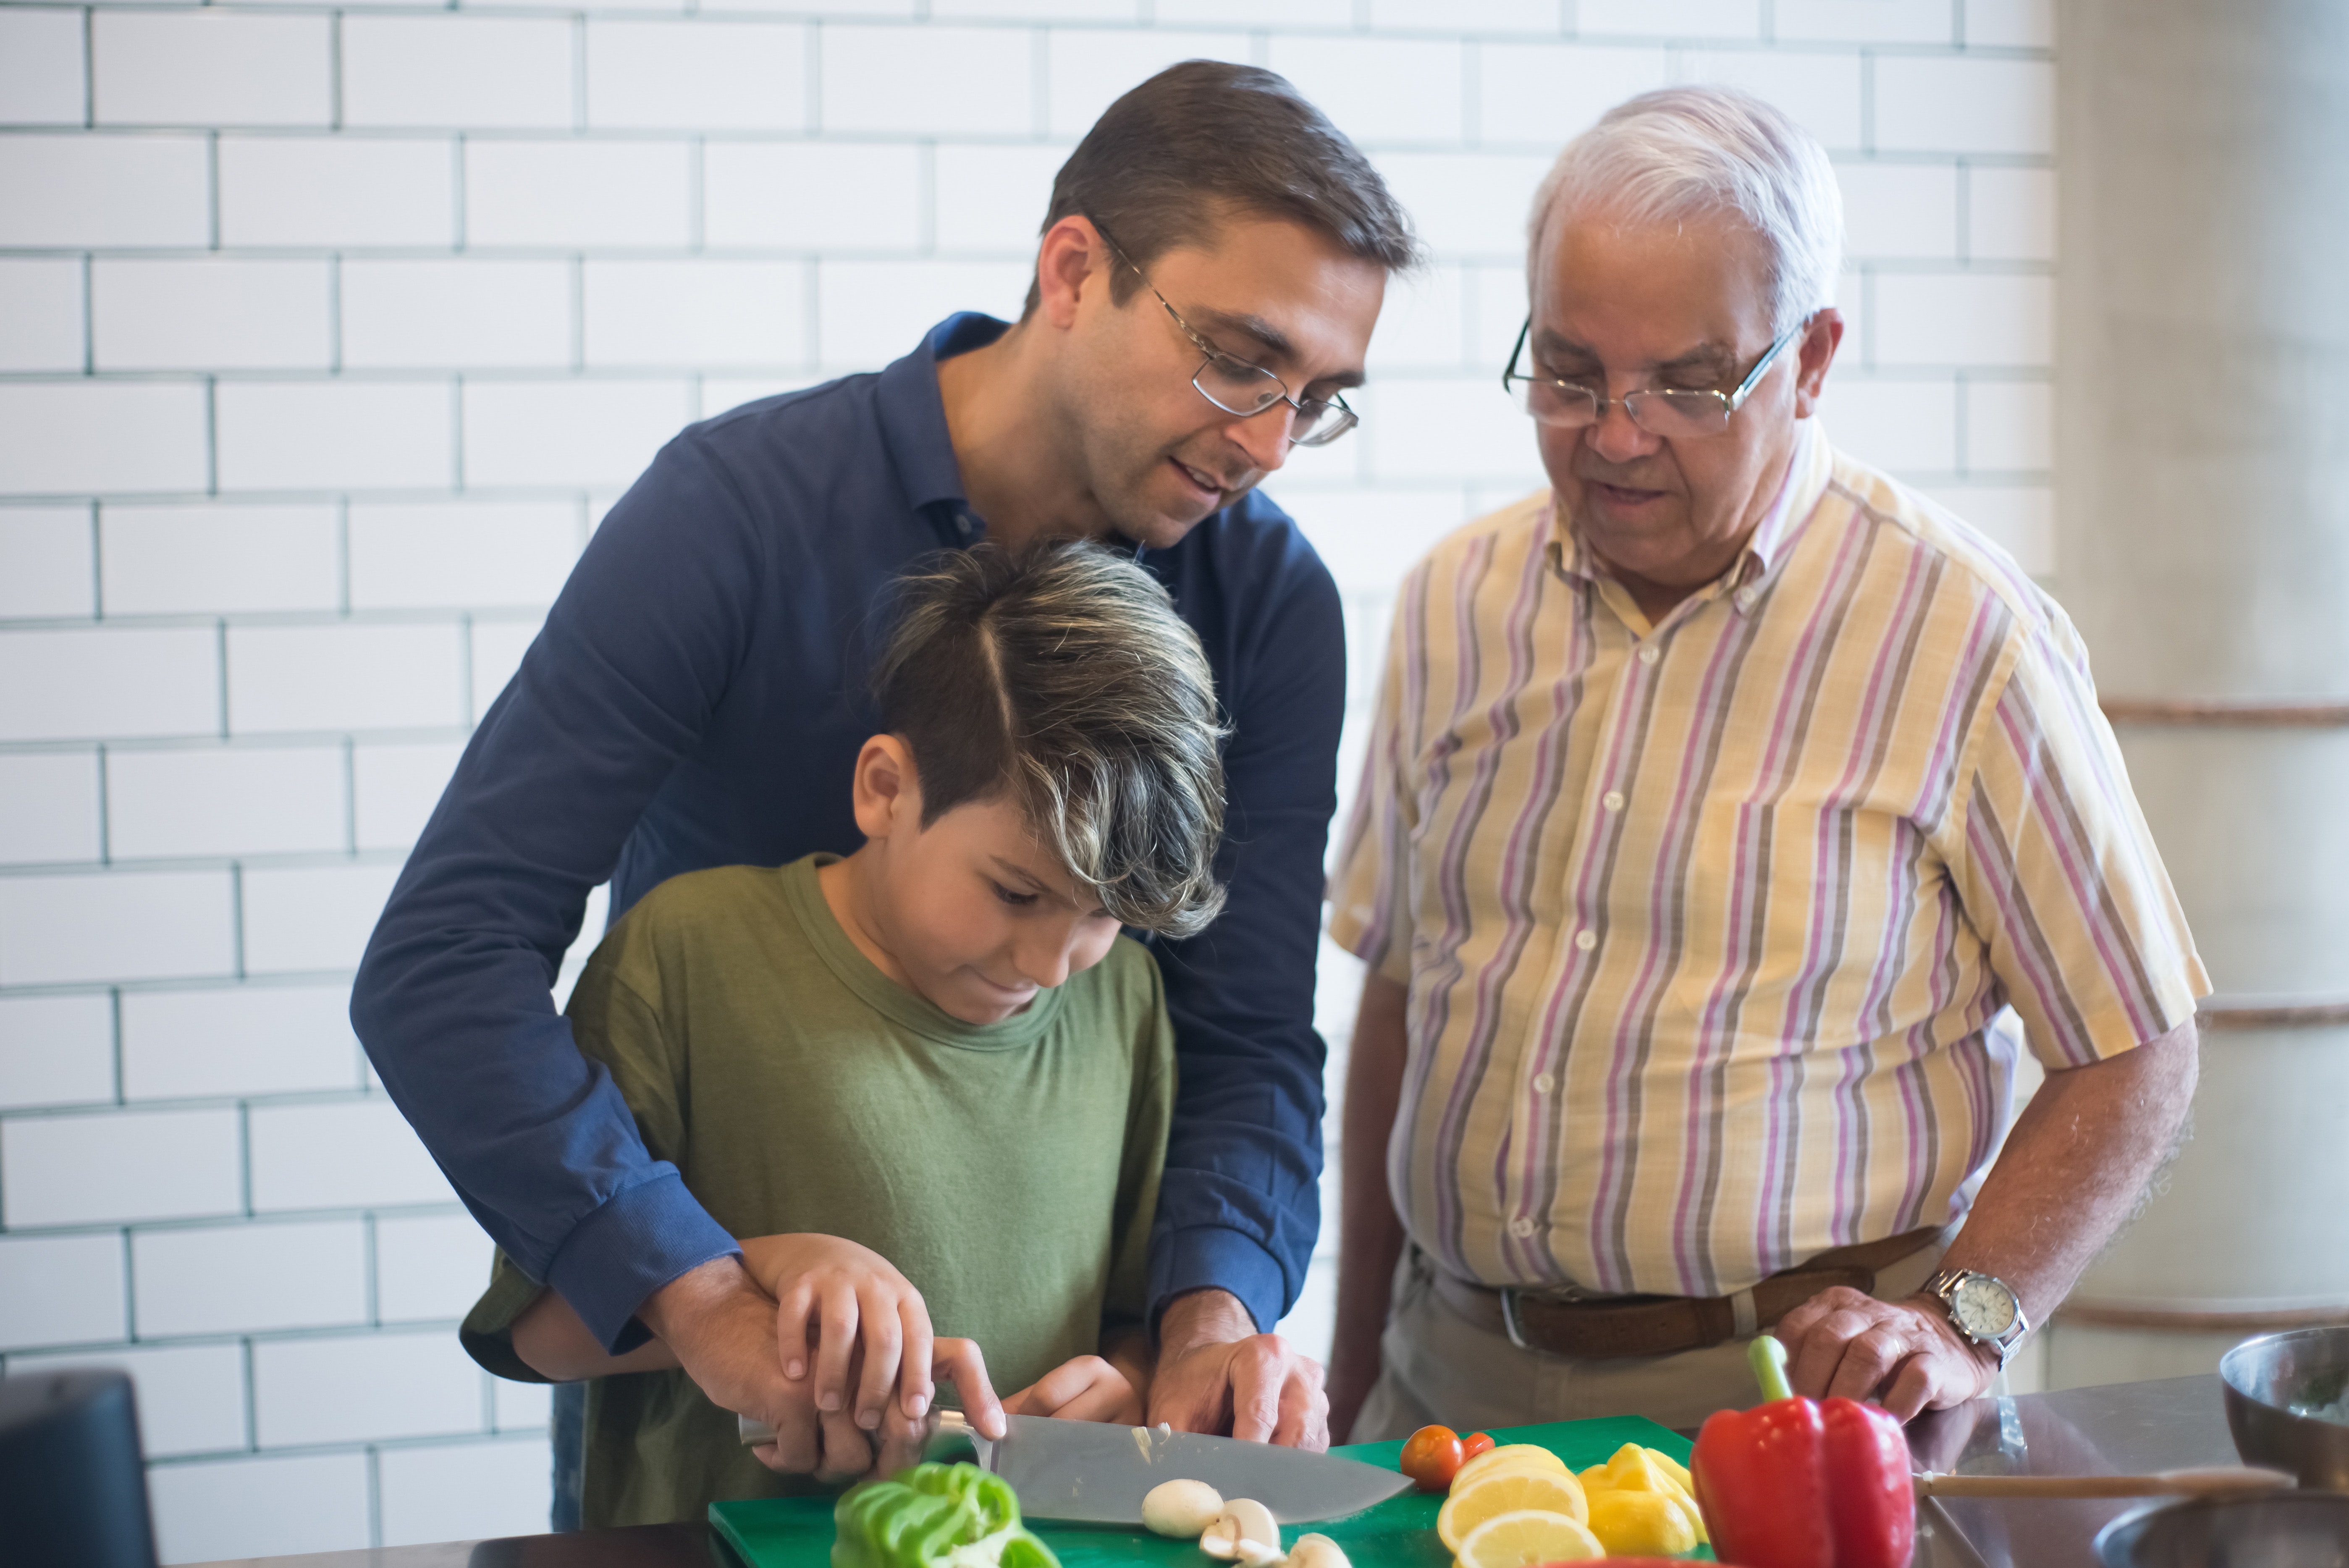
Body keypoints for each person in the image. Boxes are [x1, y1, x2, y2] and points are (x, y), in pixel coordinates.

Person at [352, 60, 1416, 1512]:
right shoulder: (733, 515)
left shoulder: (1272, 606)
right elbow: (446, 956)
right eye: (1239, 359)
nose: (1269, 443)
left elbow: (1242, 1035)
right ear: (1072, 270)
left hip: (1053, 1476)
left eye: (1319, 399)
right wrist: (700, 1290)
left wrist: (1198, 1323)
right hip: (703, 1451)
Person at [1324, 86, 2206, 1440]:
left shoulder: (1963, 632)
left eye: (1687, 384)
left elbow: (2136, 1048)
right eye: (1568, 372)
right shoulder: (1456, 599)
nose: (1617, 433)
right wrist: (1348, 1372)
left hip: (1793, 1400)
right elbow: (1400, 993)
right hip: (1448, 1384)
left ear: (1811, 360)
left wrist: (1966, 1320)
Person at [457, 541, 1219, 1528]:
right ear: (885, 789)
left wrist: (1123, 1380)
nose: (1048, 962)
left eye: (1103, 912)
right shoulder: (686, 953)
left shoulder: (1124, 998)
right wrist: (754, 1271)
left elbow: (1132, 1317)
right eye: (1015, 891)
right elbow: (539, 1336)